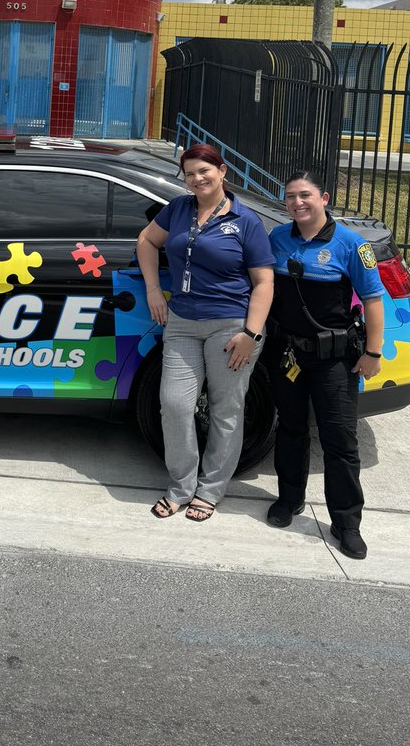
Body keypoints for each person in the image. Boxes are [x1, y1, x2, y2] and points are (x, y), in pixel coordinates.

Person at [136, 144, 274, 521]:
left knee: (225, 410)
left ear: (222, 171)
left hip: (230, 328)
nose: (197, 179)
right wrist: (153, 289)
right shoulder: (178, 208)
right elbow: (146, 241)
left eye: (204, 171)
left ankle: (210, 491)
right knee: (176, 405)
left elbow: (263, 282)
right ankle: (181, 486)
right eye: (190, 173)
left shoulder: (245, 221)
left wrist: (251, 333)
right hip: (181, 323)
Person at [265, 170, 384, 560]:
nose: (297, 203)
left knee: (340, 441)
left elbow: (372, 301)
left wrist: (373, 353)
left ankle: (347, 522)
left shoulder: (351, 244)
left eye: (305, 195)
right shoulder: (278, 238)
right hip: (289, 354)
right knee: (290, 429)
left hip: (334, 358)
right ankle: (289, 500)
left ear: (324, 198)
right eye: (290, 197)